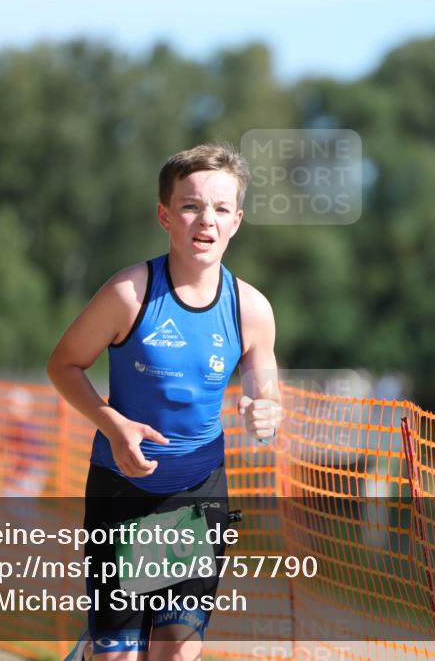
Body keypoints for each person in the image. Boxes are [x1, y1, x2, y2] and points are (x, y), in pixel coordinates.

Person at [48, 142, 282, 661]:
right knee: (119, 654)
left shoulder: (251, 308)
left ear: (237, 221)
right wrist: (113, 425)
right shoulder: (129, 294)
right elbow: (62, 365)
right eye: (192, 205)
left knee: (176, 649)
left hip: (196, 494)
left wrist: (266, 406)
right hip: (122, 490)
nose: (207, 220)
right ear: (165, 215)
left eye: (221, 208)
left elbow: (263, 380)